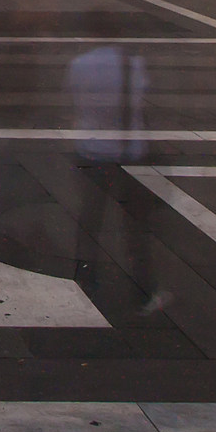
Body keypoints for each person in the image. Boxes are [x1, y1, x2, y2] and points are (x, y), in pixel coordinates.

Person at [67, 42, 171, 315]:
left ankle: (85, 278)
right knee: (135, 228)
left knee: (89, 220)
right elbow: (140, 100)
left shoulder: (80, 64)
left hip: (92, 150)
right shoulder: (132, 64)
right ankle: (143, 291)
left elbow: (77, 101)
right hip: (128, 155)